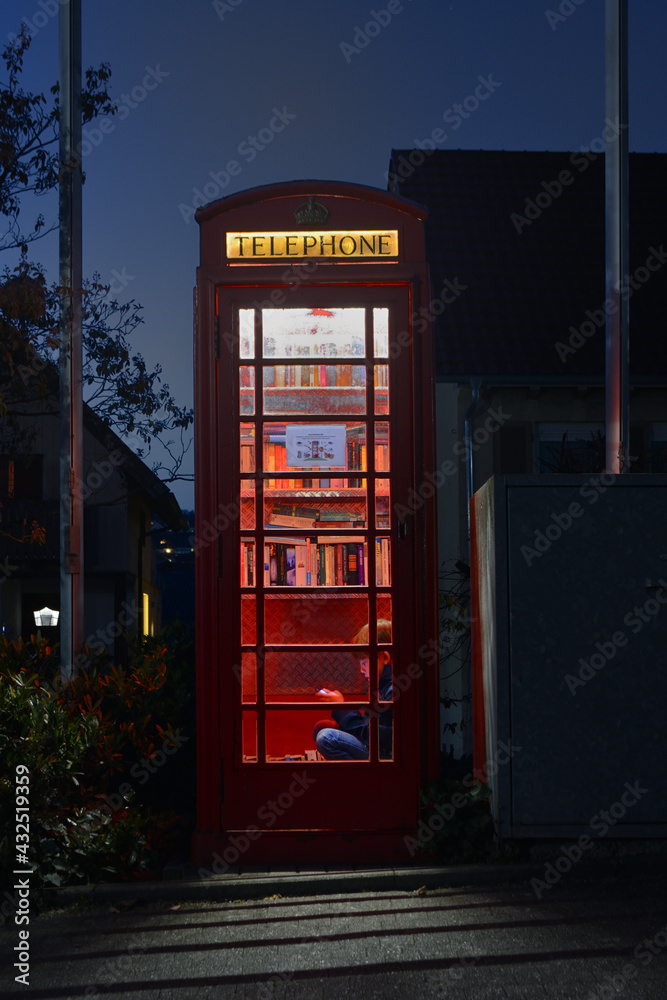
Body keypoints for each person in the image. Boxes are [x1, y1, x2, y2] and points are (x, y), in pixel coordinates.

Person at [314, 620, 393, 760]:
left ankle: (362, 780)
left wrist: (342, 708)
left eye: (364, 662)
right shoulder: (381, 686)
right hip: (374, 746)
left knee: (326, 737)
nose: (362, 670)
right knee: (322, 728)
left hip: (383, 756)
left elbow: (375, 737)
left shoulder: (392, 690)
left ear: (385, 658)